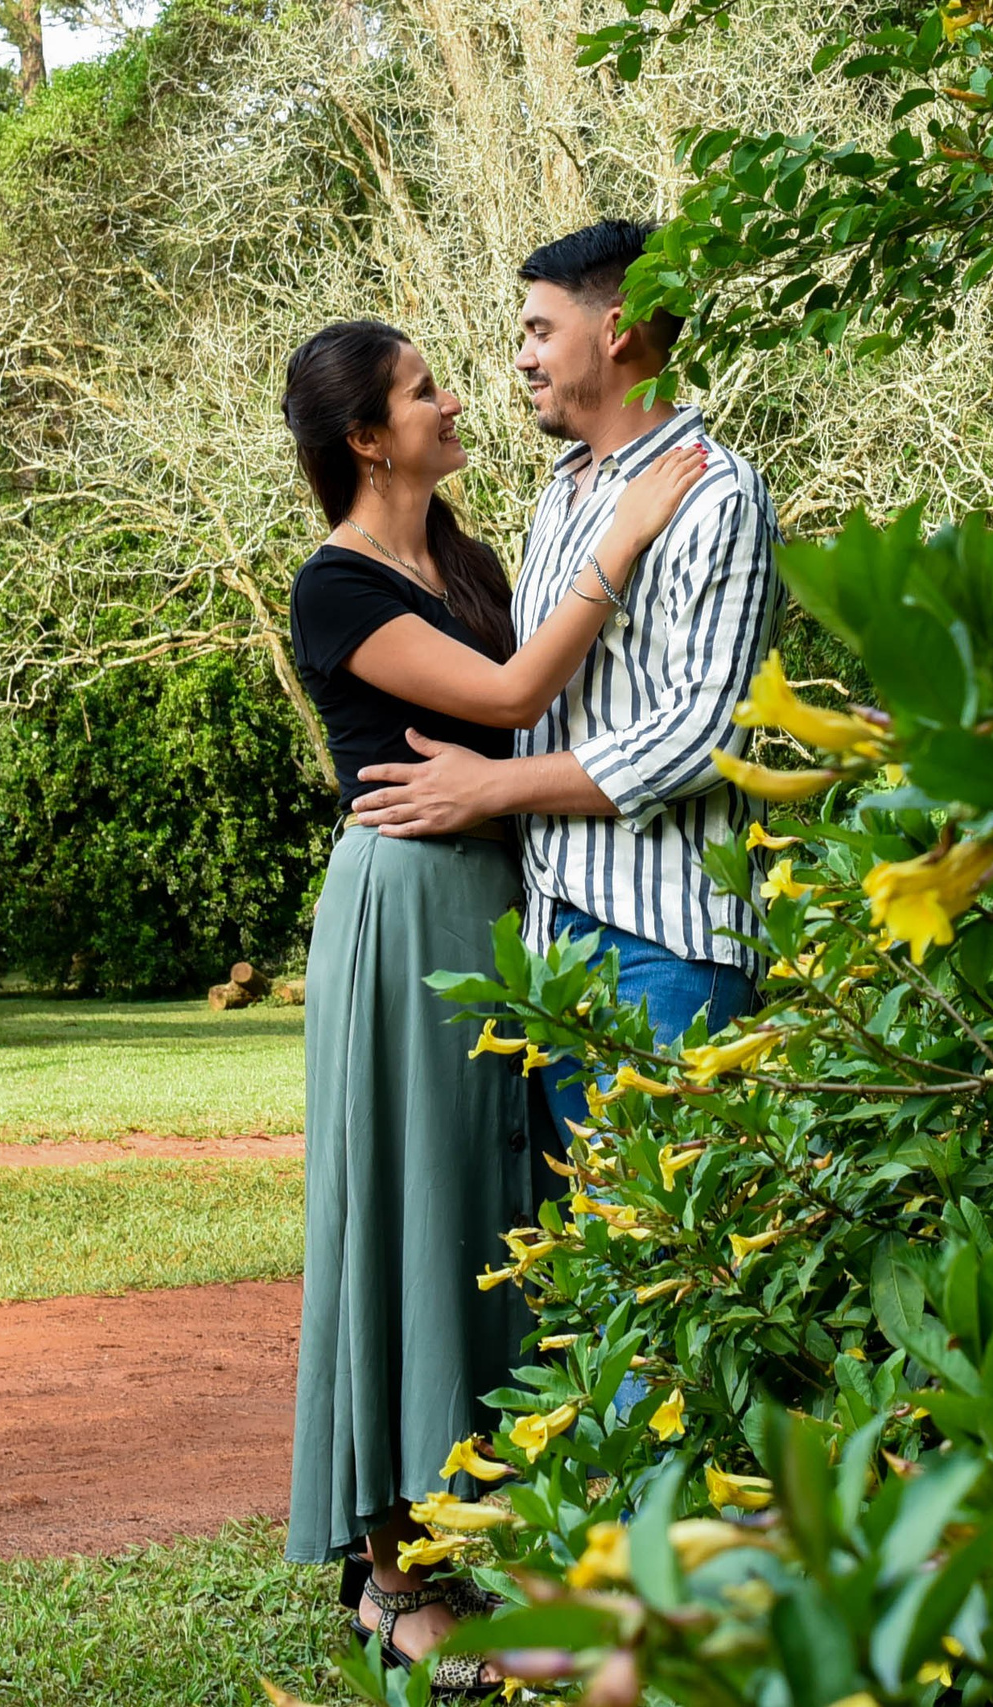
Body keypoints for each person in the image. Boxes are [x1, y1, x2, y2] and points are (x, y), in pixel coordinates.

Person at [277, 317, 706, 1690]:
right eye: (423, 392)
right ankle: (393, 1579)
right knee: (410, 1211)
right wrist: (626, 535)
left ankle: (485, 1533)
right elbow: (518, 691)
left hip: (505, 902)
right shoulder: (336, 588)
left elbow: (537, 723)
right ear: (365, 438)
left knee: (500, 1211)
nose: (453, 400)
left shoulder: (464, 563)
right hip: (404, 915)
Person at [349, 219, 786, 1130]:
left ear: (616, 331)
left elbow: (703, 735)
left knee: (661, 1216)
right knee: (579, 1223)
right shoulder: (561, 495)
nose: (522, 357)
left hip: (665, 948)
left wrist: (490, 787)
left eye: (540, 331)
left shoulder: (717, 493)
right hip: (552, 948)